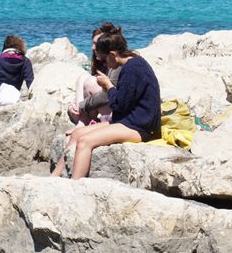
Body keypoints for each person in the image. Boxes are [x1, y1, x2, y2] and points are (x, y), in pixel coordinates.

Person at [63, 32, 160, 180]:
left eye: (104, 59)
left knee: (85, 141)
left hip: (140, 127)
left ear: (113, 55)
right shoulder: (132, 62)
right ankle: (56, 177)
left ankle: (75, 186)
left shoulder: (132, 69)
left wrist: (108, 85)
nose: (105, 64)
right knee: (77, 134)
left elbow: (119, 105)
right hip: (128, 121)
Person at [68, 22, 122, 126]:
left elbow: (107, 95)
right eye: (92, 43)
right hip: (98, 108)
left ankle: (82, 123)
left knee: (91, 82)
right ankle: (82, 121)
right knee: (83, 77)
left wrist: (81, 106)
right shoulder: (100, 63)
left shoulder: (116, 65)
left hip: (113, 110)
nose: (93, 47)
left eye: (96, 44)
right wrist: (73, 106)